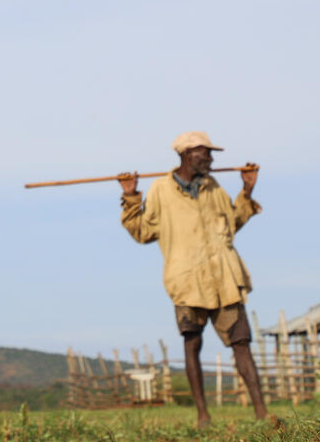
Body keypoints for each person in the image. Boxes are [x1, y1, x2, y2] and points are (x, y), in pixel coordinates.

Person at [118, 131, 269, 427]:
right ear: (187, 155)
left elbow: (232, 222)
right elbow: (142, 232)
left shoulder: (214, 188)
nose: (211, 159)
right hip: (187, 282)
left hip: (225, 280)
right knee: (192, 343)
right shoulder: (161, 190)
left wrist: (247, 191)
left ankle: (262, 412)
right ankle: (203, 415)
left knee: (242, 343)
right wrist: (130, 196)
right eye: (205, 153)